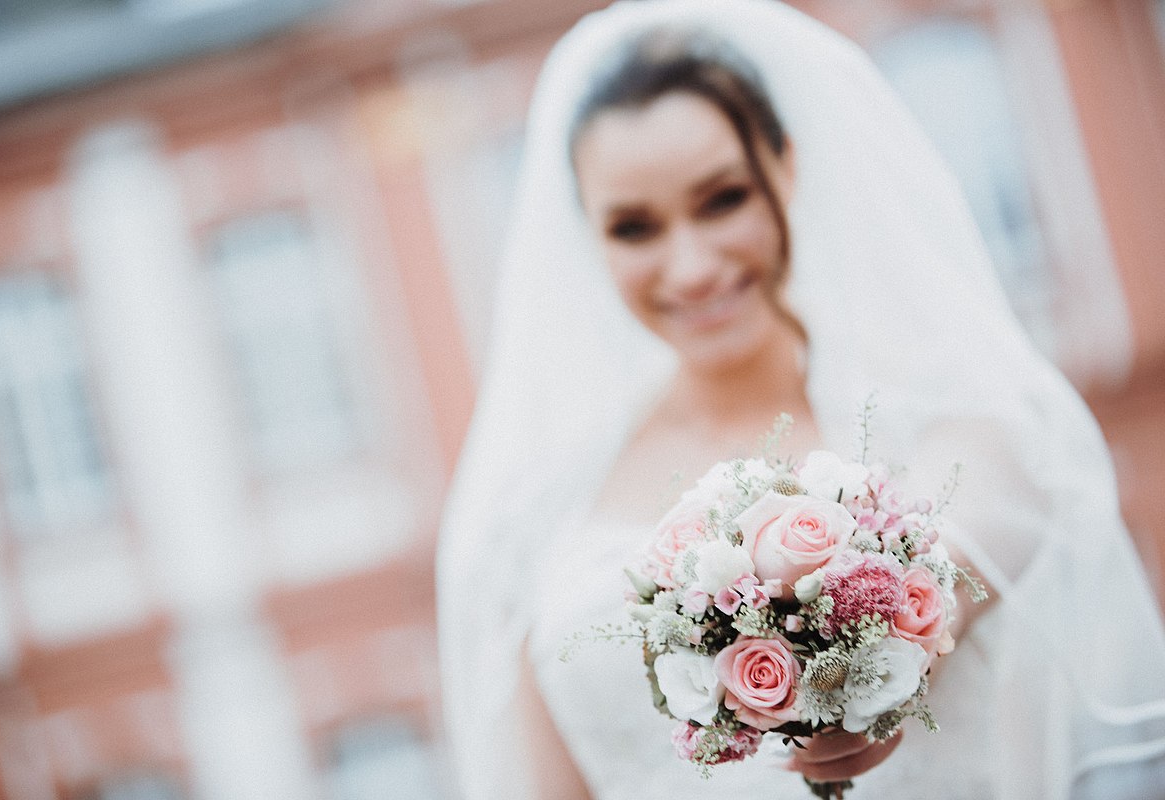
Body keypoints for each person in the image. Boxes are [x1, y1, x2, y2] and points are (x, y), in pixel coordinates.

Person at [436, 2, 1165, 798]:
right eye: (634, 228)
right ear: (590, 234)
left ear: (784, 167)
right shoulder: (541, 508)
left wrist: (886, 648)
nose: (690, 268)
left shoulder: (941, 419)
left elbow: (968, 543)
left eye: (723, 200)